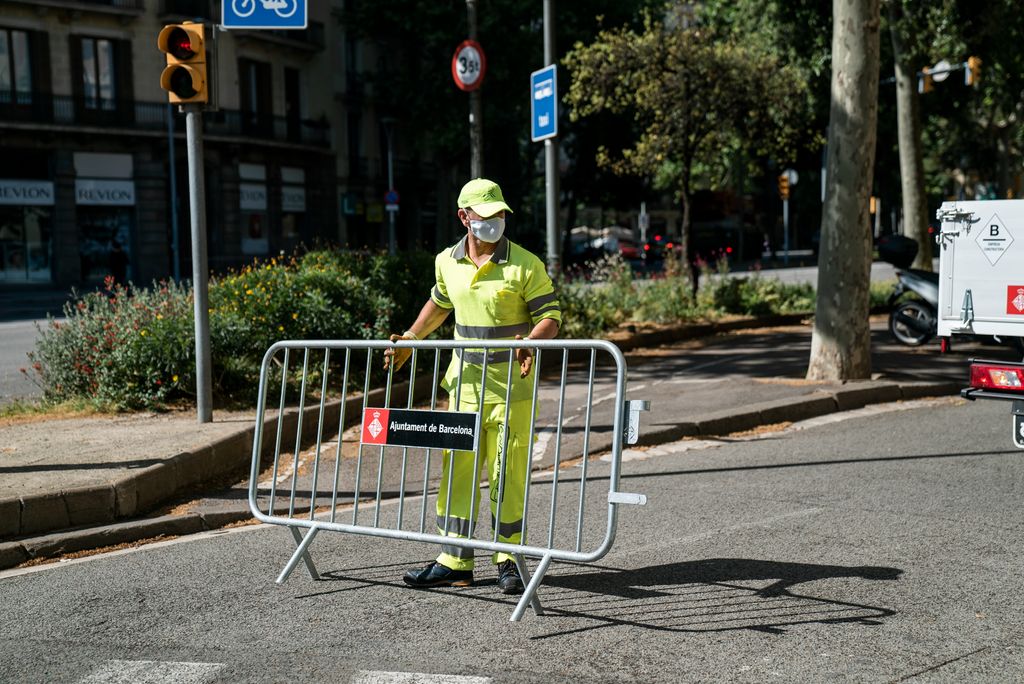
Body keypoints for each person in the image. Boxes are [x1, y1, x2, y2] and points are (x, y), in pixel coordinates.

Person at [383, 178, 561, 595]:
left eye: (500, 214)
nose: (495, 222)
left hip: (511, 391)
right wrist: (411, 339)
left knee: (507, 474)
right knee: (457, 472)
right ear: (464, 217)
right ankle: (454, 560)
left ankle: (508, 558)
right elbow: (439, 305)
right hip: (463, 388)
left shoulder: (525, 264)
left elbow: (550, 315)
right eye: (485, 216)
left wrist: (533, 341)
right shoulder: (446, 261)